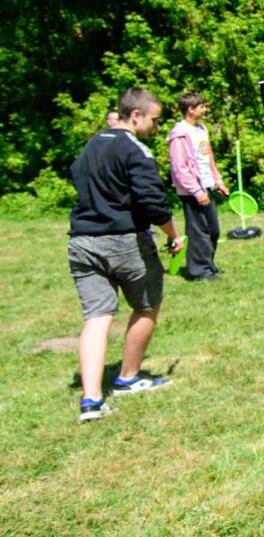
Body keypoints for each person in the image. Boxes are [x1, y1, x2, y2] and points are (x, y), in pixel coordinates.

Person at [67, 87, 185, 423]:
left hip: (81, 242)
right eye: (154, 119)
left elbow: (76, 177)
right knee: (147, 305)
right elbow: (153, 202)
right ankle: (128, 377)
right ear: (136, 116)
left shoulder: (91, 144)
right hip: (124, 242)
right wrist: (173, 235)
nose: (155, 126)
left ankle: (91, 401)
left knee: (97, 317)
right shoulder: (136, 150)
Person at [167, 92, 228, 281]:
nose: (205, 109)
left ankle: (207, 264)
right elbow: (180, 168)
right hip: (192, 191)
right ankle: (199, 271)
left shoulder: (202, 129)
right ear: (190, 109)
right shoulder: (179, 134)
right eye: (201, 106)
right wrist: (196, 191)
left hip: (207, 185)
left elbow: (208, 159)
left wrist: (218, 181)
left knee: (213, 230)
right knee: (198, 231)